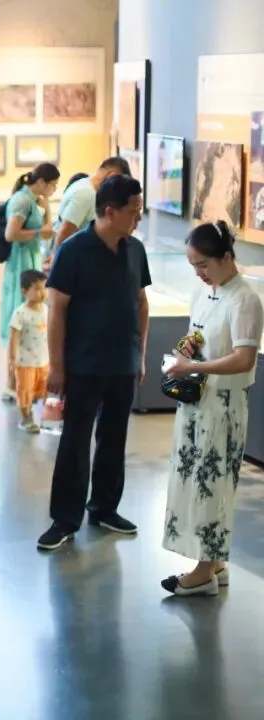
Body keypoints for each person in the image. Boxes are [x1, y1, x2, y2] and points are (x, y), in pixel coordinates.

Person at [38, 175, 149, 552]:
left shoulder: (135, 249)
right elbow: (56, 309)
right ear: (110, 212)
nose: (138, 217)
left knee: (114, 439)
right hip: (82, 364)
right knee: (75, 441)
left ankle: (104, 508)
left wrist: (140, 355)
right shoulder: (74, 250)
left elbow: (141, 302)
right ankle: (64, 519)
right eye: (133, 211)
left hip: (123, 363)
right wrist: (57, 366)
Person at [160, 221, 264, 596]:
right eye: (193, 266)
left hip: (223, 407)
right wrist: (189, 347)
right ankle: (214, 562)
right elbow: (202, 336)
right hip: (196, 402)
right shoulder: (206, 293)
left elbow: (244, 358)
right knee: (192, 480)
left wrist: (194, 366)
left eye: (203, 264)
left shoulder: (245, 300)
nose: (199, 273)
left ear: (226, 257)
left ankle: (203, 572)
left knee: (212, 484)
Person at [1, 163, 60, 402]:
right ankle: (11, 383)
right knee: (20, 321)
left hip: (30, 259)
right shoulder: (23, 201)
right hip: (21, 262)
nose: (54, 190)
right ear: (42, 182)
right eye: (53, 185)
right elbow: (11, 233)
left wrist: (47, 209)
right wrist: (38, 233)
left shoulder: (33, 200)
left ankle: (25, 382)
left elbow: (47, 228)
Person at [52, 157, 132, 257]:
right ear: (111, 176)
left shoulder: (86, 184)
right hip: (71, 256)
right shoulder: (85, 194)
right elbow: (65, 231)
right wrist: (56, 260)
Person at [9, 269, 50, 434]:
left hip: (44, 361)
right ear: (25, 291)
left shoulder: (46, 310)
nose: (42, 292)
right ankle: (27, 419)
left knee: (43, 391)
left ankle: (45, 416)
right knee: (25, 392)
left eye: (44, 288)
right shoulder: (21, 313)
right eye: (37, 289)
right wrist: (12, 359)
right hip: (25, 363)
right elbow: (14, 337)